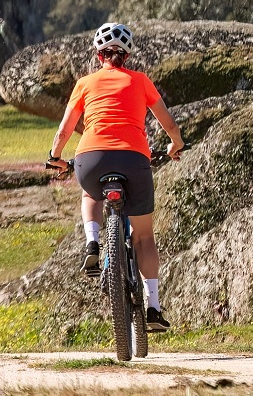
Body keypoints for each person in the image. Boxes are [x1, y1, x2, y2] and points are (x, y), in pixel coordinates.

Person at [43, 22, 184, 332]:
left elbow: (65, 129)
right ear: (128, 56)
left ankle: (93, 243)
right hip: (135, 159)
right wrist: (176, 144)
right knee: (144, 235)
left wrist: (55, 157)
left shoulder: (84, 84)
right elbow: (169, 124)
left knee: (90, 193)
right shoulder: (141, 81)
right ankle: (153, 307)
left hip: (91, 159)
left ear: (98, 56)